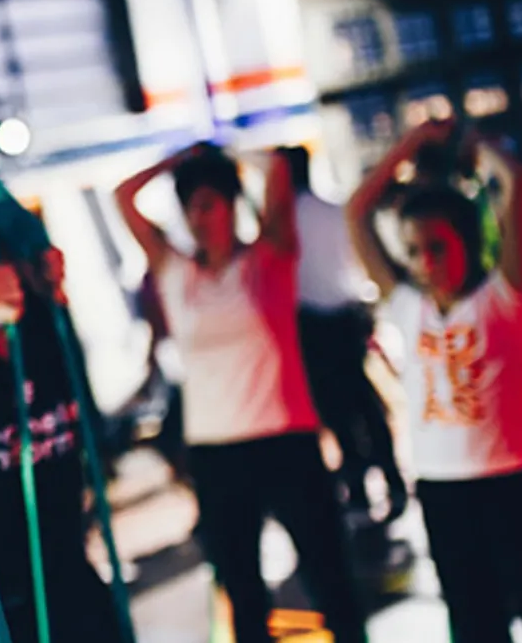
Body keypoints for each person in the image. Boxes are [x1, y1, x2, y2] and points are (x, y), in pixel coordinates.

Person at [114, 143, 367, 643]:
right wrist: (178, 158)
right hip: (217, 455)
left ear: (233, 205)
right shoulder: (176, 273)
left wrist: (223, 151)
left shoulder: (269, 261)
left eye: (209, 204)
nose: (198, 218)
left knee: (330, 577)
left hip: (286, 442)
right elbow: (124, 196)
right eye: (191, 207)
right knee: (243, 592)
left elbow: (276, 168)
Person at [346, 120, 522, 643]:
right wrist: (409, 143)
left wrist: (476, 143)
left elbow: (518, 181)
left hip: (519, 486)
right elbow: (357, 210)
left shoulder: (501, 299)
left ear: (467, 243)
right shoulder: (406, 307)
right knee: (475, 624)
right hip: (445, 493)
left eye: (438, 246)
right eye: (414, 251)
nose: (426, 262)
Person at [0, 204, 120, 643]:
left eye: (3, 253)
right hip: (2, 599)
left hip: (73, 572)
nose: (2, 269)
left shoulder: (46, 326)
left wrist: (47, 275)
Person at [278, 146, 407, 525]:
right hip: (348, 315)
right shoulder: (334, 211)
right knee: (365, 402)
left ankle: (359, 489)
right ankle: (393, 480)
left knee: (336, 409)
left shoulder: (284, 222)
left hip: (312, 326)